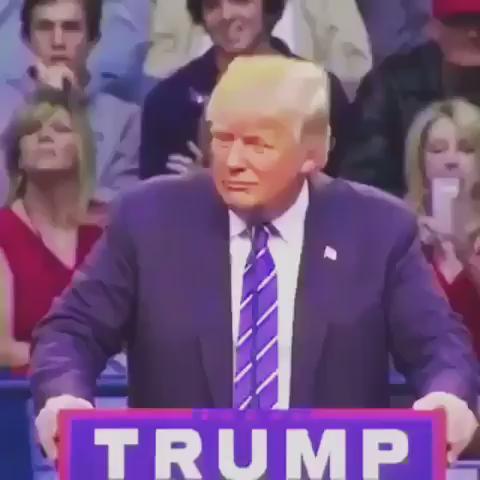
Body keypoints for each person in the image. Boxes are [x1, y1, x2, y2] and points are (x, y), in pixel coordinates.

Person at [31, 55, 478, 464]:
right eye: (223, 139)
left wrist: (447, 400)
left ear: (314, 153)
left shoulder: (377, 228)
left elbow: (439, 344)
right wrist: (64, 399)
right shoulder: (148, 218)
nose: (233, 161)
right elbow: (72, 330)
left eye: (258, 144)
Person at [140, 0, 349, 178]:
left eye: (240, 0)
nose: (226, 14)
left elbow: (344, 197)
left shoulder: (321, 91)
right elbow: (153, 206)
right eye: (212, 5)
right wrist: (196, 193)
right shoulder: (168, 102)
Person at [0, 88, 102, 372]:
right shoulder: (4, 232)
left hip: (104, 389)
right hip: (21, 393)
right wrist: (77, 356)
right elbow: (3, 349)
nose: (45, 136)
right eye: (32, 130)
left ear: (82, 151)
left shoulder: (107, 233)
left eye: (60, 129)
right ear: (18, 158)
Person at [0, 0, 140, 205]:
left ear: (93, 39)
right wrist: (46, 97)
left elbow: (124, 206)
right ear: (26, 38)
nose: (57, 41)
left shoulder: (125, 118)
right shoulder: (3, 107)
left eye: (71, 28)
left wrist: (68, 102)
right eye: (45, 27)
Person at [340, 0, 480, 197]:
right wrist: (415, 207)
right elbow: (362, 183)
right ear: (433, 27)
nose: (474, 33)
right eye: (462, 21)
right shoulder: (392, 84)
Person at [404, 98, 480, 357]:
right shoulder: (398, 230)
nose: (451, 160)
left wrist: (466, 256)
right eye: (437, 150)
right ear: (420, 162)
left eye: (466, 149)